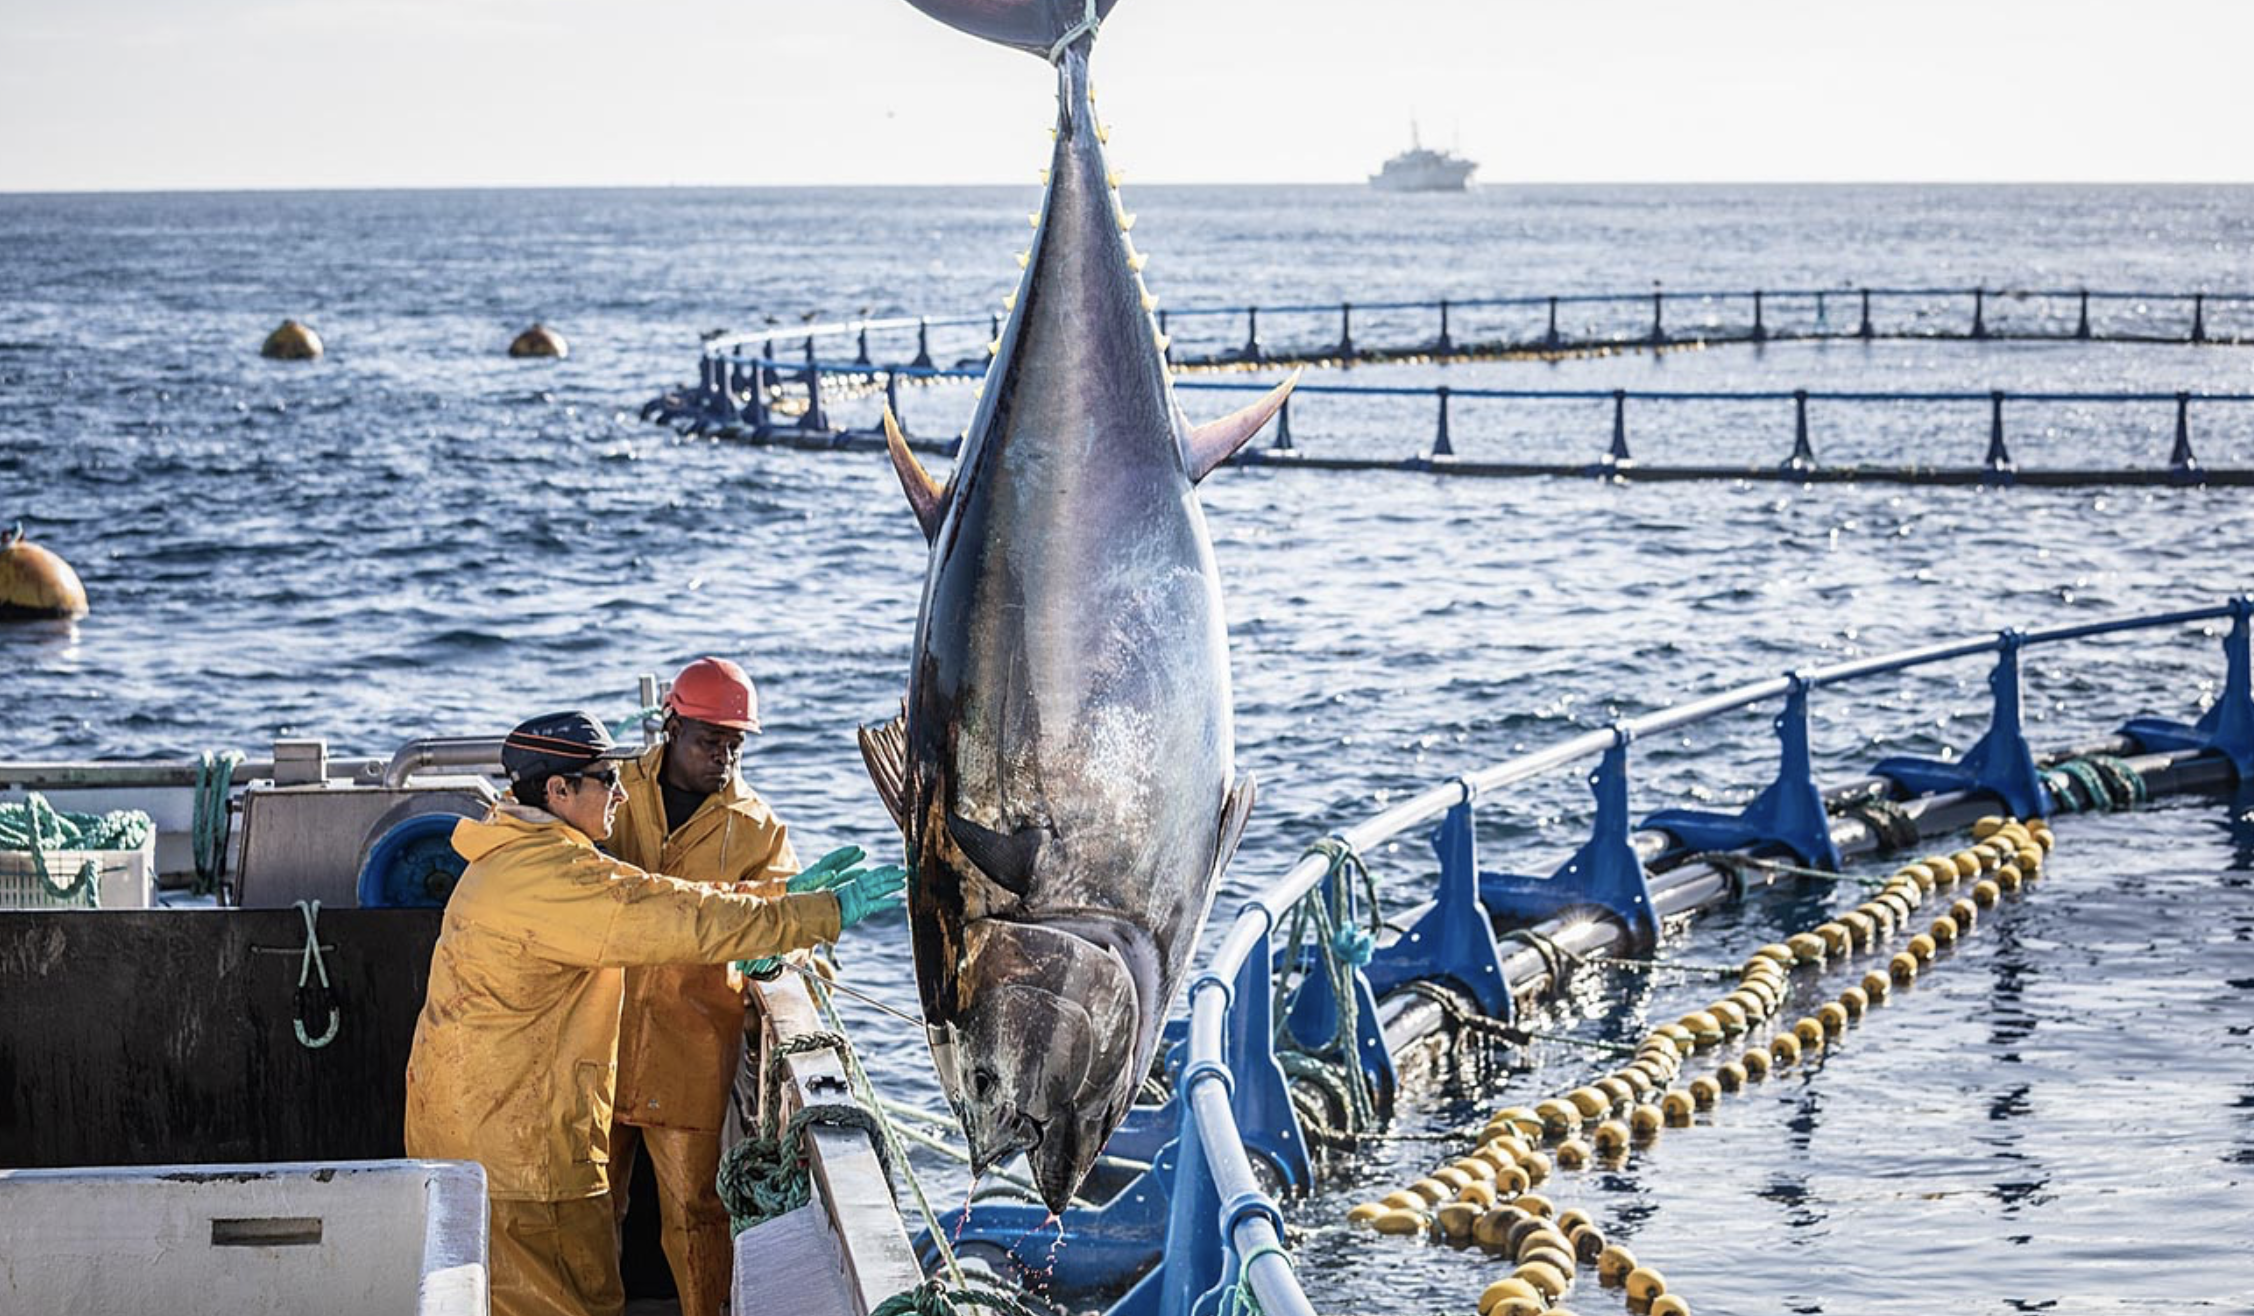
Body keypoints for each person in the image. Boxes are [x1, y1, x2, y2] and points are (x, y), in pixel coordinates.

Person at [403, 709, 902, 1316]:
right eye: (604, 780)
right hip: (523, 1156)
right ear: (559, 791)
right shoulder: (554, 876)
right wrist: (812, 914)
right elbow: (672, 917)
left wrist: (776, 897)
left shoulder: (514, 854)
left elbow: (663, 898)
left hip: (473, 1132)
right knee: (574, 1302)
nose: (620, 791)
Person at [603, 657, 798, 1316]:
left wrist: (783, 965)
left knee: (695, 1210)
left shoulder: (758, 827)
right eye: (708, 742)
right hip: (594, 1036)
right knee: (583, 1201)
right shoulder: (611, 792)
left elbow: (784, 925)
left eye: (734, 745)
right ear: (672, 726)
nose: (723, 758)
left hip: (689, 1046)